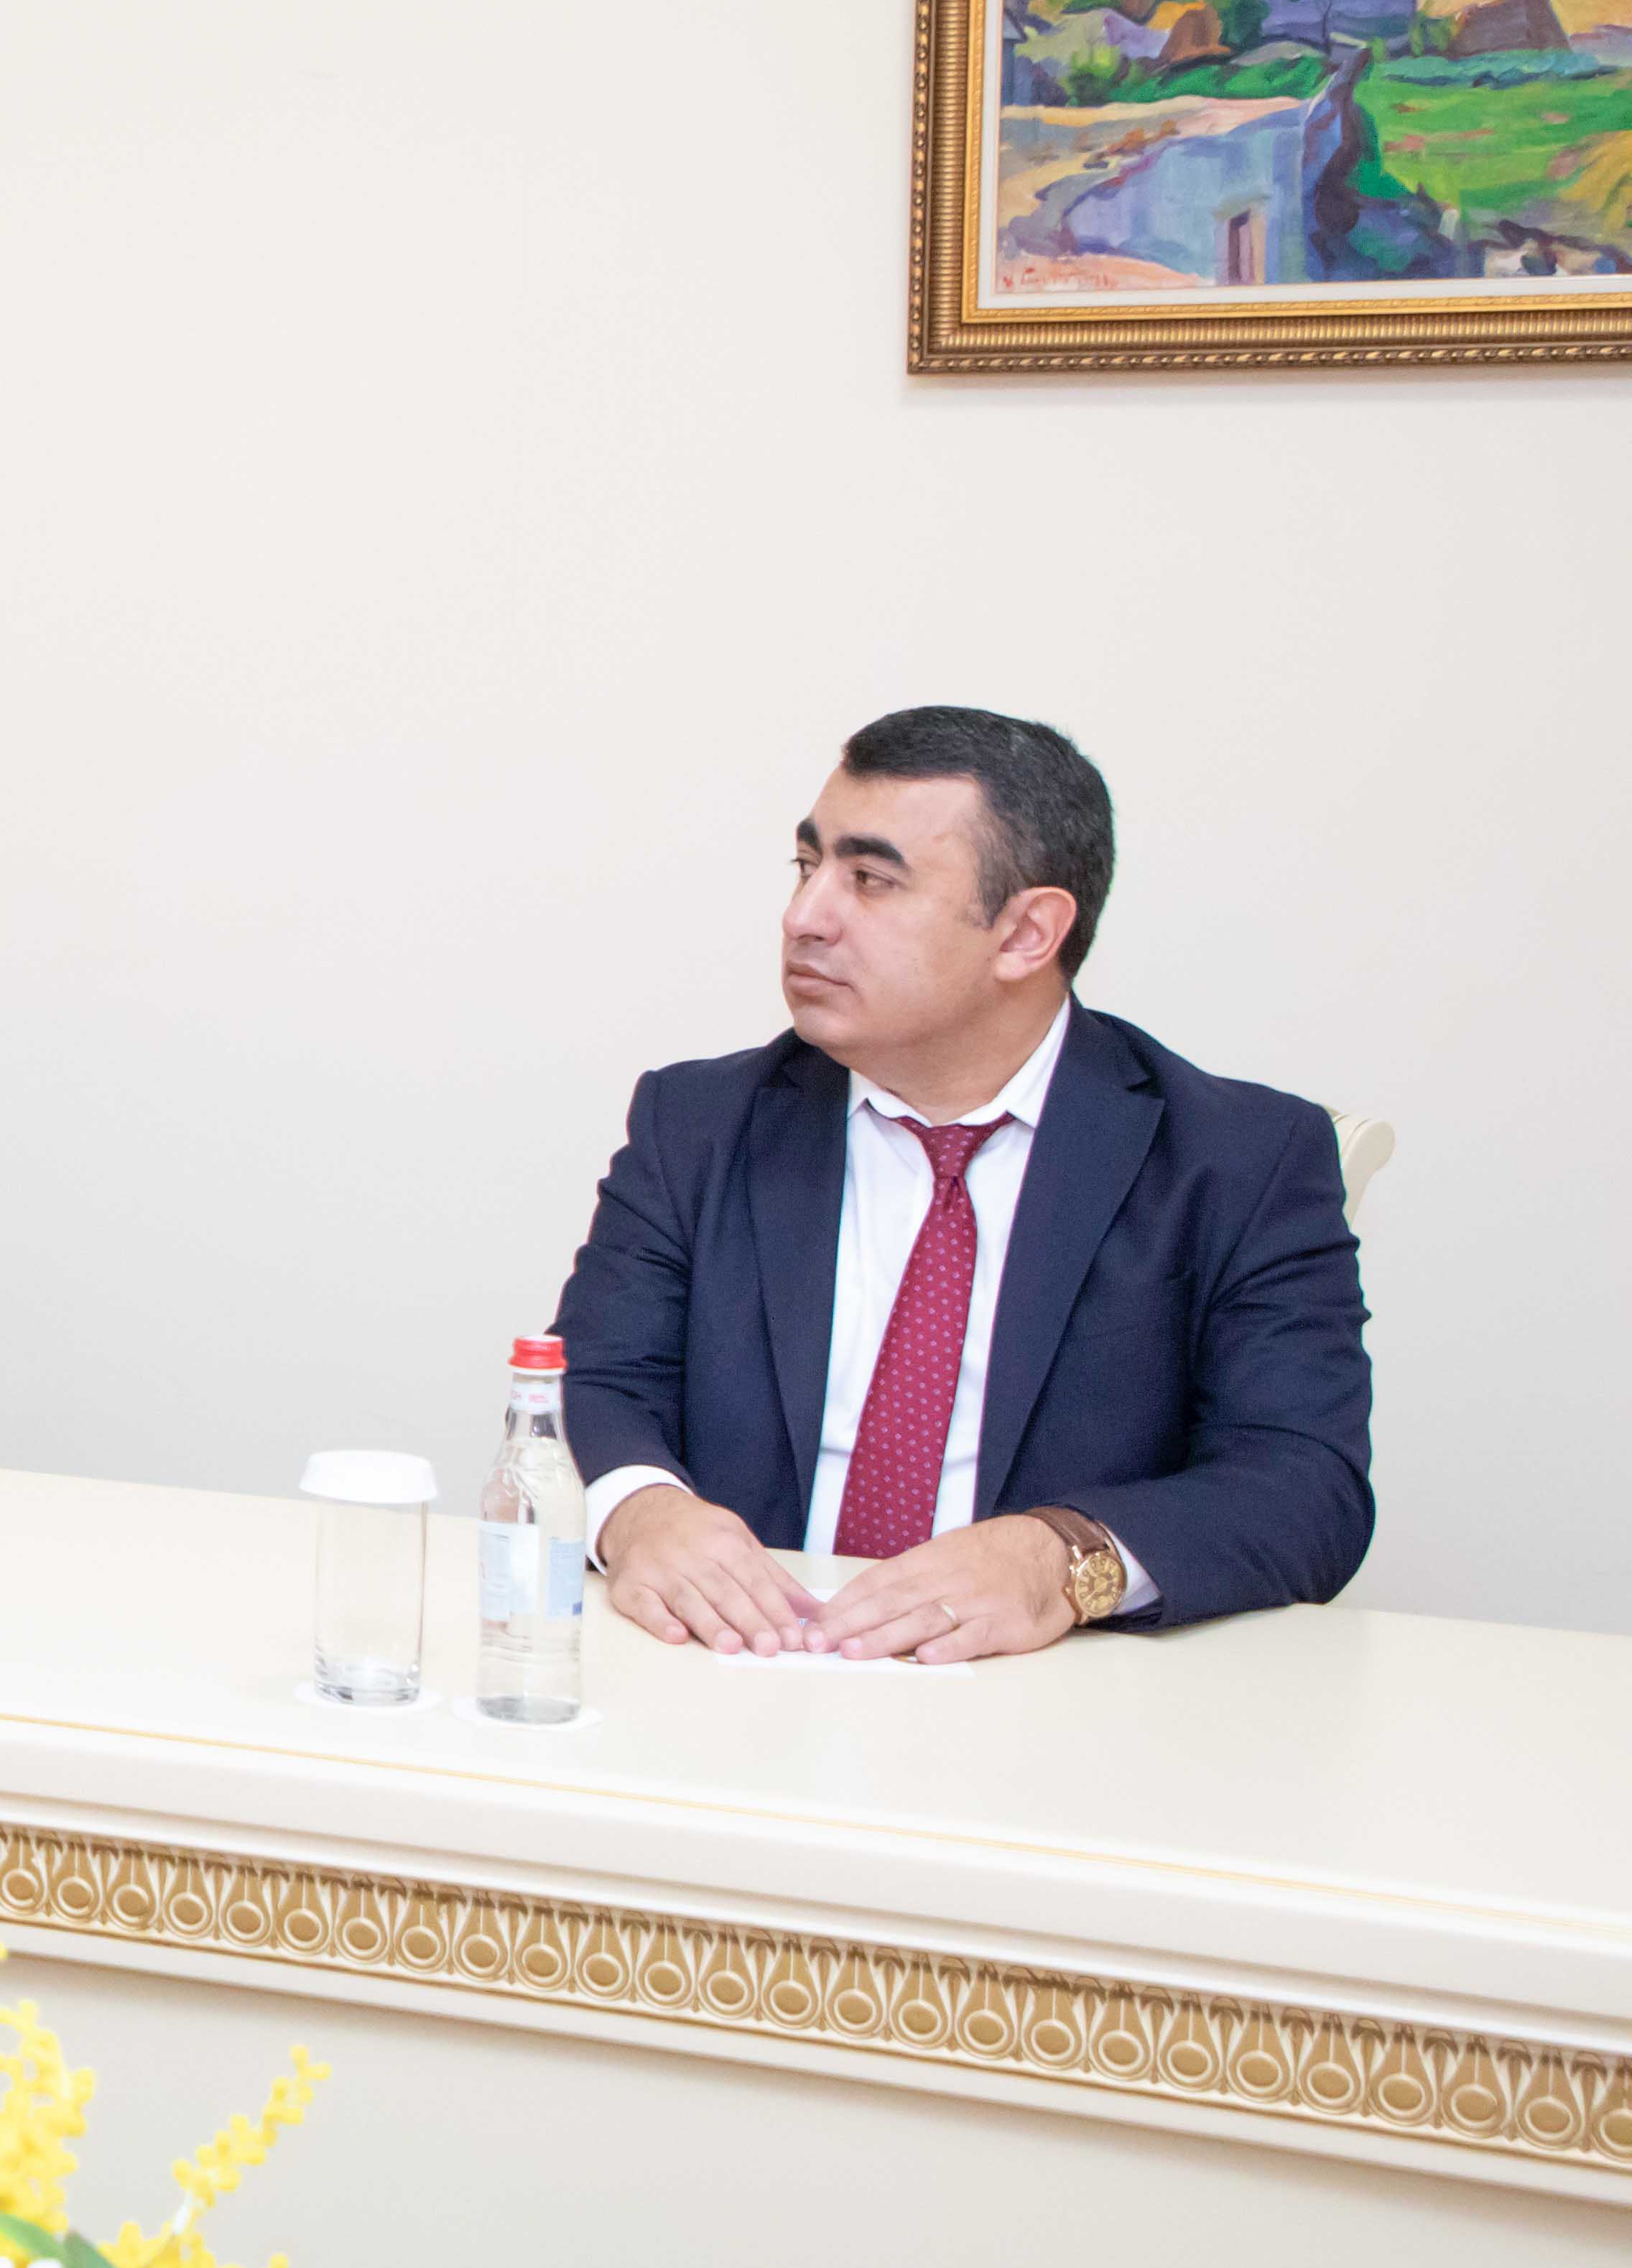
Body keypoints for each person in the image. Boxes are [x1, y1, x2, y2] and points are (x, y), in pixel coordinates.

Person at [551, 705, 1369, 1661]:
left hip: (1052, 1692)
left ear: (1026, 934)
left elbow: (1305, 1484)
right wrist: (641, 1510)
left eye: (870, 879)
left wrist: (1062, 1558)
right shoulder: (697, 1122)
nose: (804, 917)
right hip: (742, 1665)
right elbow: (594, 1380)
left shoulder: (1238, 1158)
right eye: (807, 866)